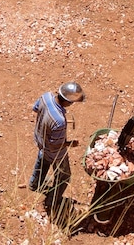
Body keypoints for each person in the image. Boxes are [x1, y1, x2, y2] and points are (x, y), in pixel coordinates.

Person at [29, 81, 85, 209]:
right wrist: (71, 143)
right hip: (55, 152)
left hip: (40, 140)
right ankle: (52, 200)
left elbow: (36, 108)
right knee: (64, 176)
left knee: (42, 160)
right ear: (68, 102)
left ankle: (34, 184)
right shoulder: (59, 120)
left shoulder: (46, 97)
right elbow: (56, 145)